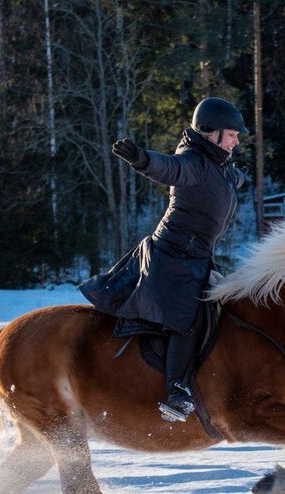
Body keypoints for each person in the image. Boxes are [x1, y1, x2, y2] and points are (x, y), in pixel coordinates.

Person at [79, 97, 247, 423]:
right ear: (210, 133)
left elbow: (225, 182)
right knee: (188, 317)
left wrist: (238, 178)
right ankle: (176, 390)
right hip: (173, 259)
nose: (237, 140)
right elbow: (170, 168)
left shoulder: (219, 166)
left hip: (197, 259)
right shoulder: (194, 162)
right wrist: (142, 160)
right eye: (232, 135)